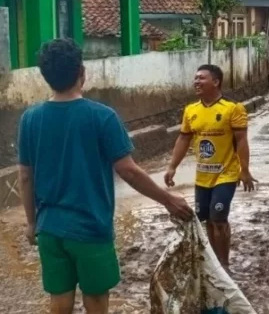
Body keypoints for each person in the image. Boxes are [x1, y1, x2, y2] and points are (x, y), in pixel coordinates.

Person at [17, 39, 194, 314]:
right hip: (90, 227)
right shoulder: (102, 117)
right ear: (82, 73)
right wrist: (168, 200)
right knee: (96, 302)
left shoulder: (30, 118)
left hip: (49, 227)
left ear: (45, 76)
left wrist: (31, 223)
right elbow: (128, 171)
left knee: (59, 302)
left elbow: (25, 177)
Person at [165, 64, 256, 272]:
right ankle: (215, 262)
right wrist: (172, 167)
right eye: (195, 78)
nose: (196, 82)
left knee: (219, 217)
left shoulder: (233, 109)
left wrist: (245, 170)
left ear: (216, 82)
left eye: (202, 78)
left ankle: (224, 264)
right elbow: (183, 139)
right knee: (206, 219)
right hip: (203, 176)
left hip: (226, 174)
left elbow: (241, 140)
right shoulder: (191, 111)